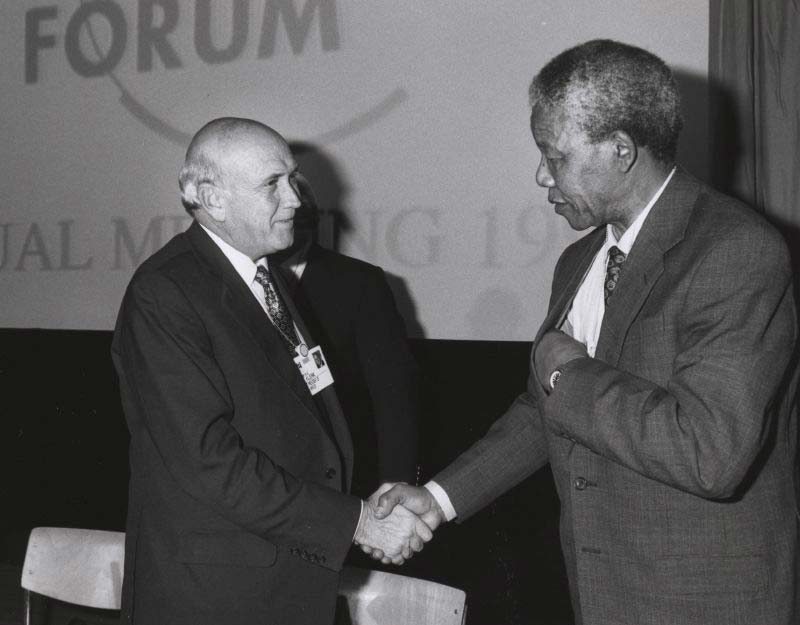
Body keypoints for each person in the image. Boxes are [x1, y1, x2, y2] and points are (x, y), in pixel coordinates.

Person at [375, 39, 799, 624]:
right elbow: (547, 407)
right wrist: (438, 500)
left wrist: (567, 369)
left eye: (555, 156)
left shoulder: (735, 250)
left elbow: (710, 453)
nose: (540, 175)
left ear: (621, 150)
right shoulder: (580, 260)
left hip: (705, 602)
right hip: (604, 594)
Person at [111, 117, 432, 625]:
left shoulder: (264, 277)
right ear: (212, 199)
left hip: (283, 577)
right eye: (272, 185)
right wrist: (358, 523)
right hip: (216, 596)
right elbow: (209, 461)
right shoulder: (166, 293)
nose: (297, 200)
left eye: (292, 179)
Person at [276, 172, 421, 498]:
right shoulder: (236, 283)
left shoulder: (360, 283)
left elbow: (394, 395)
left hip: (343, 482)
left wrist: (395, 484)